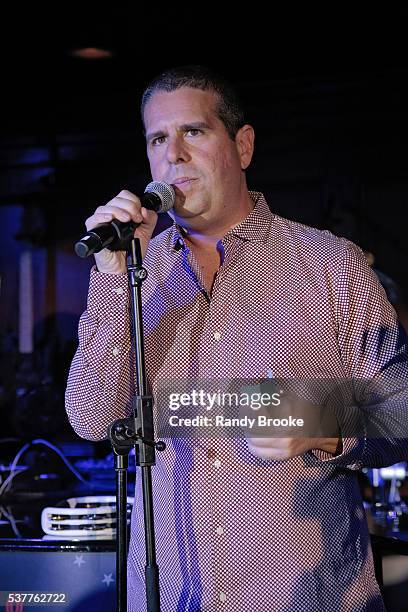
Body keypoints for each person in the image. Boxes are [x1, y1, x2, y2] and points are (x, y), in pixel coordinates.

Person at [65, 65, 408, 611]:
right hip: (167, 593)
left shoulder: (330, 264)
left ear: (242, 145)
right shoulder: (133, 272)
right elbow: (91, 417)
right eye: (158, 139)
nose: (172, 154)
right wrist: (110, 277)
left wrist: (323, 426)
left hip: (302, 594)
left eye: (193, 132)